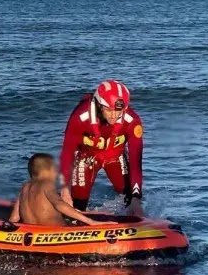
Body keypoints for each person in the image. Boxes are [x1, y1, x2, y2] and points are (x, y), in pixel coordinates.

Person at [59, 80, 145, 216]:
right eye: (109, 109)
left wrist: (136, 197)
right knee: (77, 205)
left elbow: (136, 160)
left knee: (130, 200)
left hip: (116, 156)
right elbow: (67, 152)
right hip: (87, 157)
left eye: (119, 110)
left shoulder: (132, 121)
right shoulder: (80, 117)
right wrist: (64, 189)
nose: (114, 115)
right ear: (99, 105)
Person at [8, 153, 109, 227]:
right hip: (54, 232)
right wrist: (91, 221)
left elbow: (14, 218)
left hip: (34, 233)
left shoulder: (25, 187)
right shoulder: (46, 184)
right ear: (47, 170)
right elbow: (59, 204)